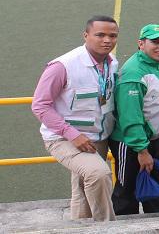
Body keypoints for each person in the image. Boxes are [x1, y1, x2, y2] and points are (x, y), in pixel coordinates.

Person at [31, 15, 119, 222]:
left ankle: (79, 224)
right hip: (64, 139)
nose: (107, 40)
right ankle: (107, 226)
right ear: (86, 35)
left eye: (112, 36)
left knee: (82, 186)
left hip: (98, 137)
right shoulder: (62, 66)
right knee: (98, 174)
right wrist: (72, 134)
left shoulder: (112, 62)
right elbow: (40, 105)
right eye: (100, 35)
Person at [109, 24, 159, 215]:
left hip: (156, 139)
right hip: (132, 144)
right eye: (155, 42)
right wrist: (142, 150)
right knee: (126, 193)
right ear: (141, 43)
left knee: (156, 190)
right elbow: (131, 118)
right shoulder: (133, 74)